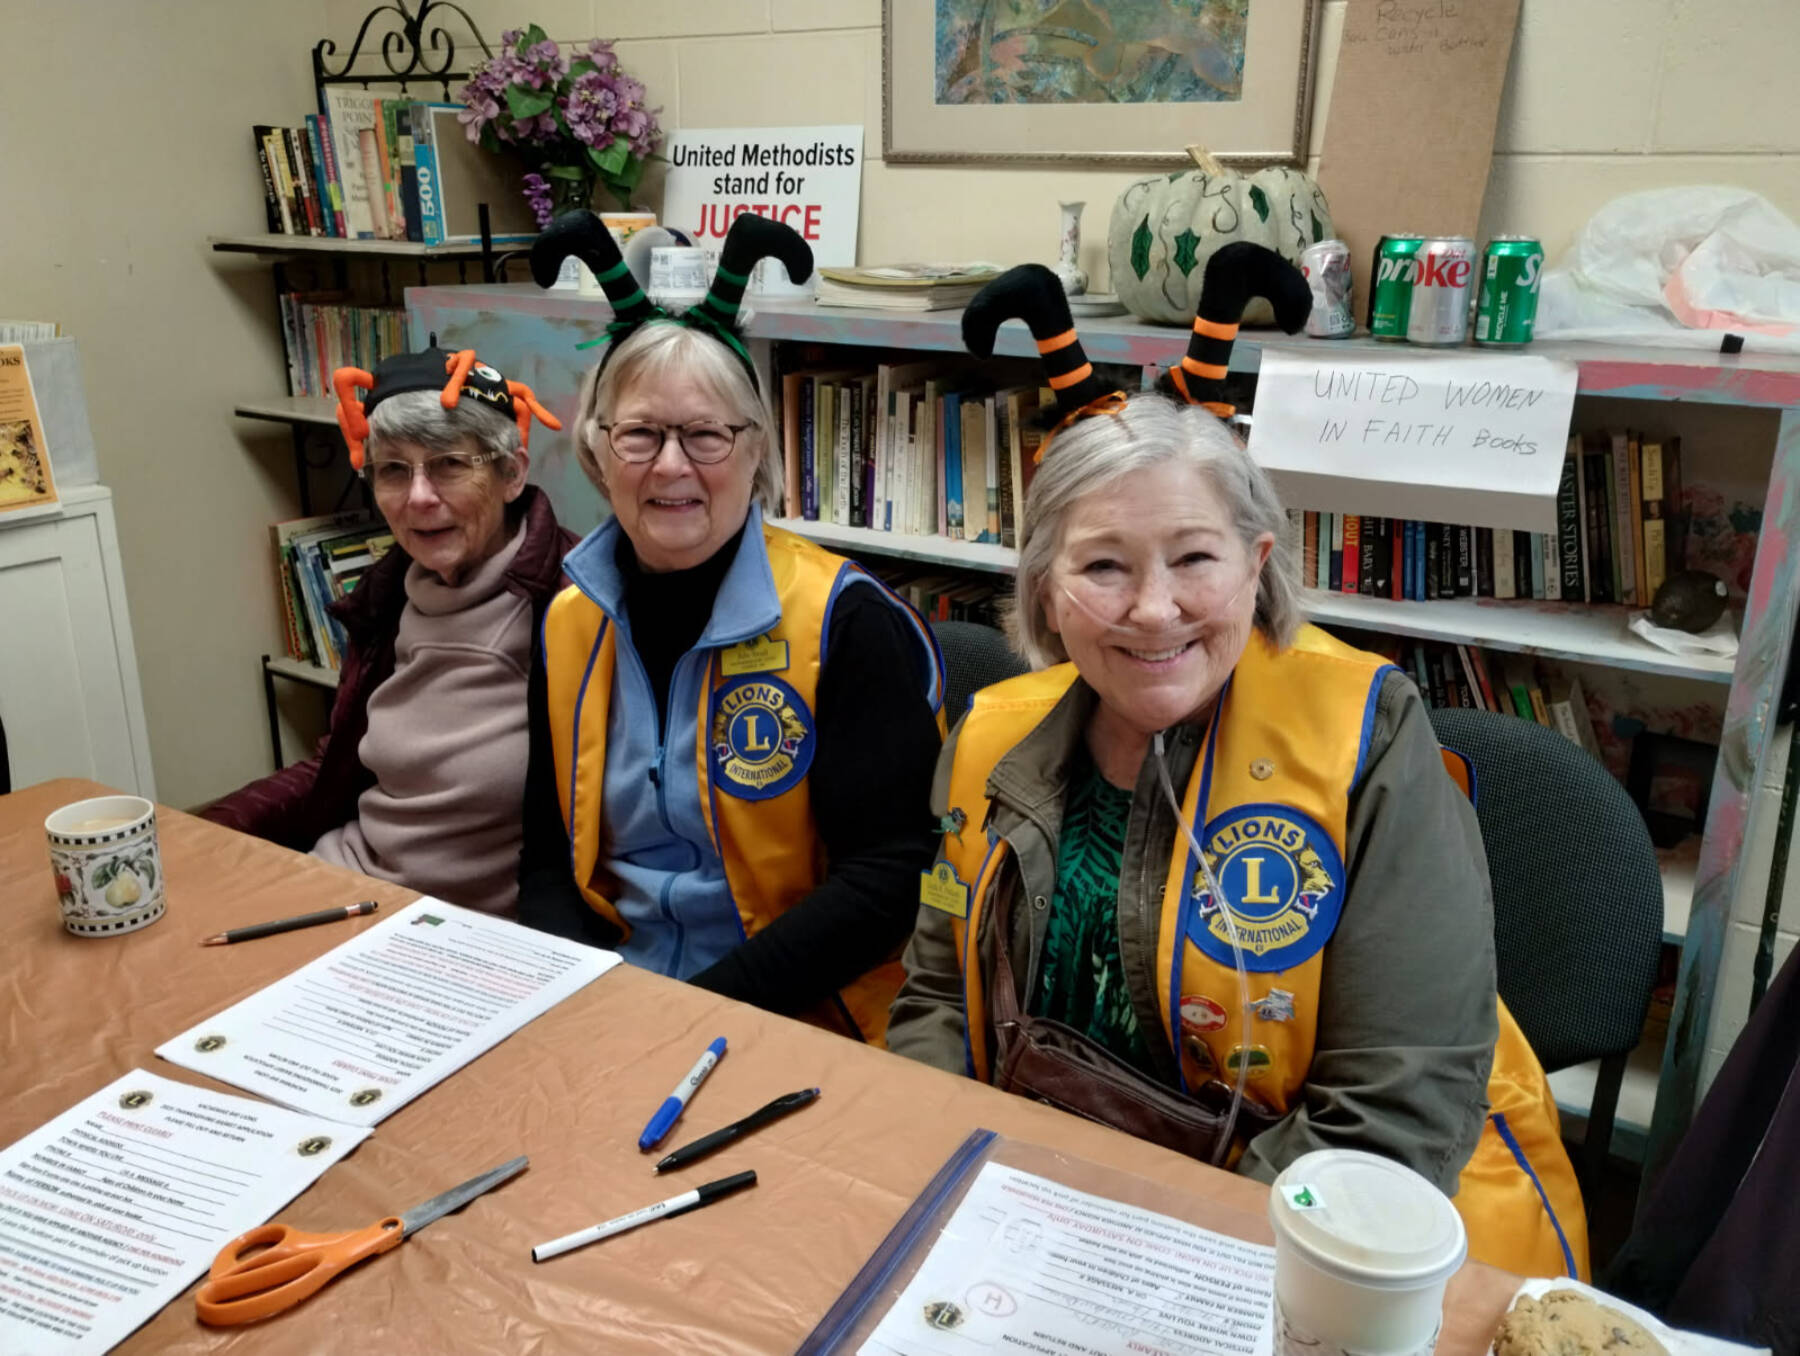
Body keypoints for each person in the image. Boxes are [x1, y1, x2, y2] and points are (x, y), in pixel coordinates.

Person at [887, 248, 1590, 1280]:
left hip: (1330, 1235)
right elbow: (938, 998)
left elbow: (1393, 1105)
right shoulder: (990, 735)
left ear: (1257, 569)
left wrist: (1167, 1264)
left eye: (1195, 558)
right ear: (1043, 593)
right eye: (1102, 567)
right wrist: (926, 1170)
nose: (1154, 609)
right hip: (1052, 1202)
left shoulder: (1370, 735)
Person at [516, 210, 944, 1044]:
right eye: (640, 433)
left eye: (707, 434)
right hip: (619, 993)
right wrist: (567, 997)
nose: (672, 466)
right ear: (599, 454)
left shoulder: (845, 621)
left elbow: (890, 878)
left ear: (758, 452)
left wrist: (695, 1016)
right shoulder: (568, 616)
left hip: (806, 1011)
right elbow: (546, 850)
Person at [204, 345, 572, 916]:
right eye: (394, 471)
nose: (419, 497)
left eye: (450, 464)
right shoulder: (387, 597)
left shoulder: (571, 604)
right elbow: (337, 764)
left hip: (471, 933)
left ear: (511, 475)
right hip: (348, 891)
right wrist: (209, 831)